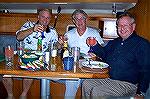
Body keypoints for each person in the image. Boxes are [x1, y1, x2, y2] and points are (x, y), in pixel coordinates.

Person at [82, 12, 150, 99]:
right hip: (110, 79)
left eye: (125, 25)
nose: (122, 28)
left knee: (98, 91)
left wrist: (141, 93)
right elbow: (104, 54)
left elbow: (146, 70)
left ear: (133, 27)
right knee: (86, 84)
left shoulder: (142, 44)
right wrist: (95, 45)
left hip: (128, 84)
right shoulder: (114, 42)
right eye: (119, 26)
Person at [2, 8, 58, 98]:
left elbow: (56, 47)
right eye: (43, 17)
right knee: (5, 71)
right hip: (22, 56)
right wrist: (32, 29)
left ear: (50, 19)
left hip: (39, 59)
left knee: (30, 68)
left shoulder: (52, 32)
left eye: (48, 18)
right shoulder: (29, 25)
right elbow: (18, 37)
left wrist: (60, 43)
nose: (45, 20)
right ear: (38, 17)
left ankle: (23, 95)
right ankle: (10, 95)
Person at [58, 9, 104, 99]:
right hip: (73, 64)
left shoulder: (94, 33)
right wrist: (59, 43)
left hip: (89, 65)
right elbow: (60, 48)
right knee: (72, 80)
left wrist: (96, 55)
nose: (79, 21)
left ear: (86, 19)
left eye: (82, 18)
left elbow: (103, 50)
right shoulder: (69, 34)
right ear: (74, 21)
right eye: (77, 19)